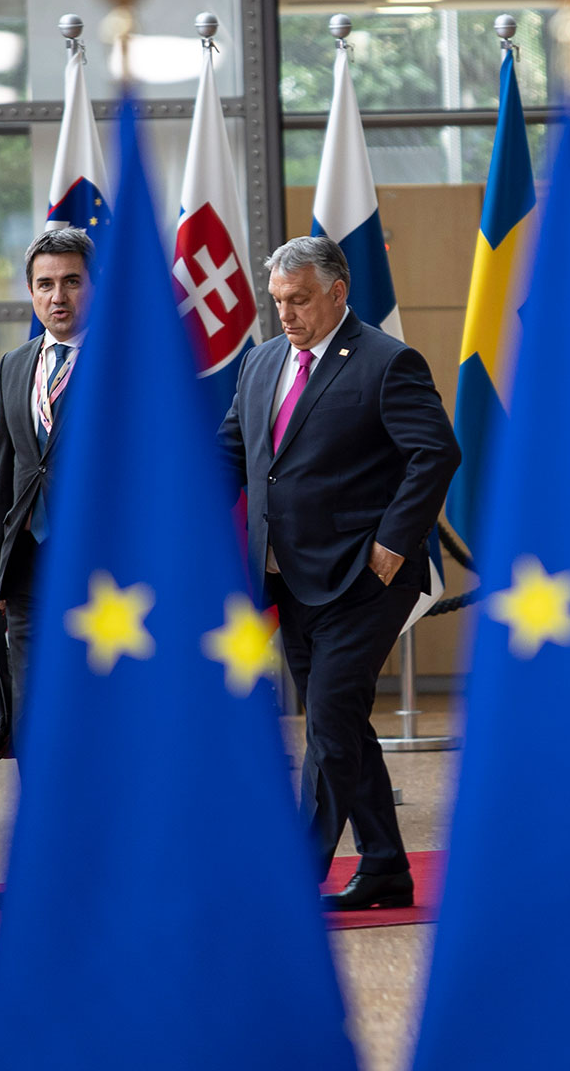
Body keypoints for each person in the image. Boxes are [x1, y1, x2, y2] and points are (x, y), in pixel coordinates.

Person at [217, 235, 461, 911]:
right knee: (344, 724)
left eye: (299, 301)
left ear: (337, 292)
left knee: (327, 718)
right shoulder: (262, 363)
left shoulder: (388, 362)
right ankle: (384, 865)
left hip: (365, 578)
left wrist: (391, 543)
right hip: (289, 577)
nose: (286, 315)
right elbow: (231, 454)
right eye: (278, 303)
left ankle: (296, 876)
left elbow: (435, 453)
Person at [0, 227, 94, 737]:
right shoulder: (15, 364)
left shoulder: (125, 364)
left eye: (71, 281)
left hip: (100, 565)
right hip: (26, 565)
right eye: (45, 284)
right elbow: (7, 471)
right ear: (31, 292)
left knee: (94, 703)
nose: (57, 296)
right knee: (33, 710)